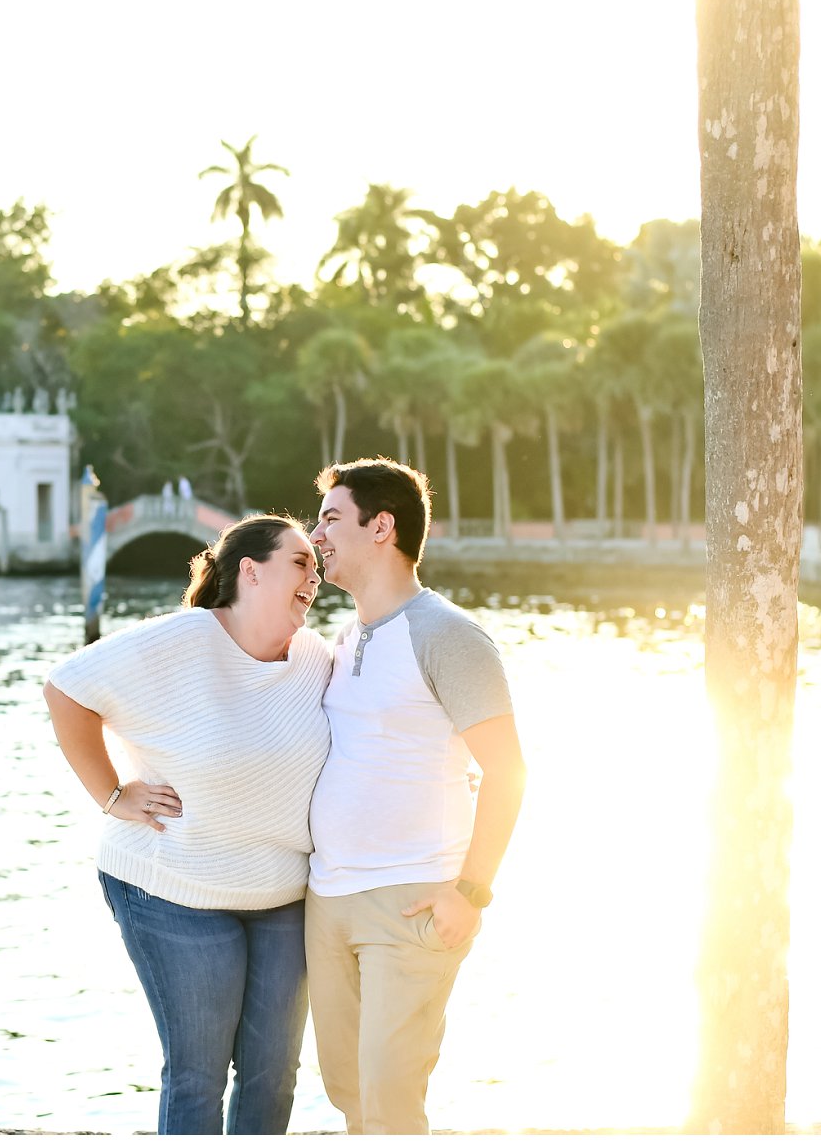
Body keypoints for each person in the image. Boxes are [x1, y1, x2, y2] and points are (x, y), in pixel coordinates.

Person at [44, 515, 332, 1134]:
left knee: (273, 1072)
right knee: (197, 1075)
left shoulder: (317, 658)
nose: (317, 574)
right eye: (301, 561)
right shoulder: (180, 640)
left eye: (317, 564)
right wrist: (112, 792)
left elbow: (378, 721)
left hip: (283, 895)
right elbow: (66, 689)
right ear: (250, 572)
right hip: (172, 890)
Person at [304, 457, 528, 1135]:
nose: (316, 534)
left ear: (382, 526)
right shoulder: (344, 640)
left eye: (331, 518)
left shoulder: (447, 634)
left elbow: (508, 771)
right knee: (348, 1093)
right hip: (329, 900)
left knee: (391, 1102)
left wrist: (472, 891)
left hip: (410, 903)